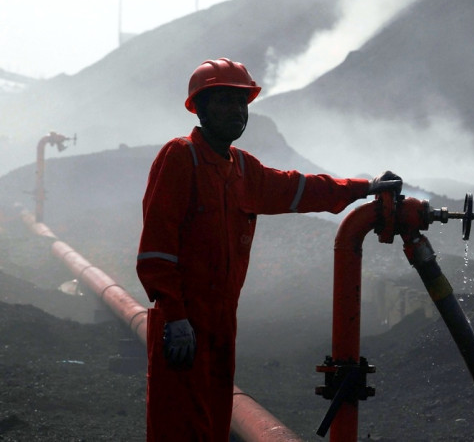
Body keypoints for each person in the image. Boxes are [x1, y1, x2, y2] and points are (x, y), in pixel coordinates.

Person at [136, 57, 401, 441]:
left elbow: (301, 188)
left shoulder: (242, 169)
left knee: (212, 426)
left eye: (242, 103)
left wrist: (364, 187)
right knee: (178, 428)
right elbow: (157, 249)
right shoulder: (181, 158)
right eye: (225, 101)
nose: (237, 112)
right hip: (183, 326)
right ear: (201, 107)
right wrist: (175, 317)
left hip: (222, 324)